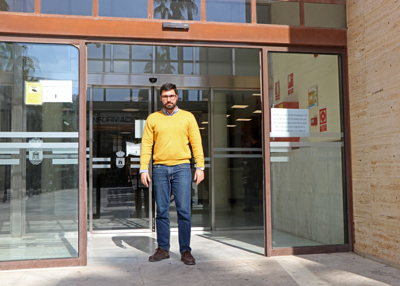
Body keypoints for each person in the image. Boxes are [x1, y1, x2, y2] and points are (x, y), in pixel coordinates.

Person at [140, 83, 204, 265]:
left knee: (184, 210)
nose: (168, 99)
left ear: (177, 97)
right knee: (161, 211)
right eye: (165, 96)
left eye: (171, 96)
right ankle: (163, 248)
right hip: (160, 168)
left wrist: (200, 166)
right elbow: (146, 145)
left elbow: (196, 143)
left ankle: (185, 251)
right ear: (160, 98)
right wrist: (144, 168)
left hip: (182, 168)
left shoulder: (188, 117)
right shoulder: (153, 119)